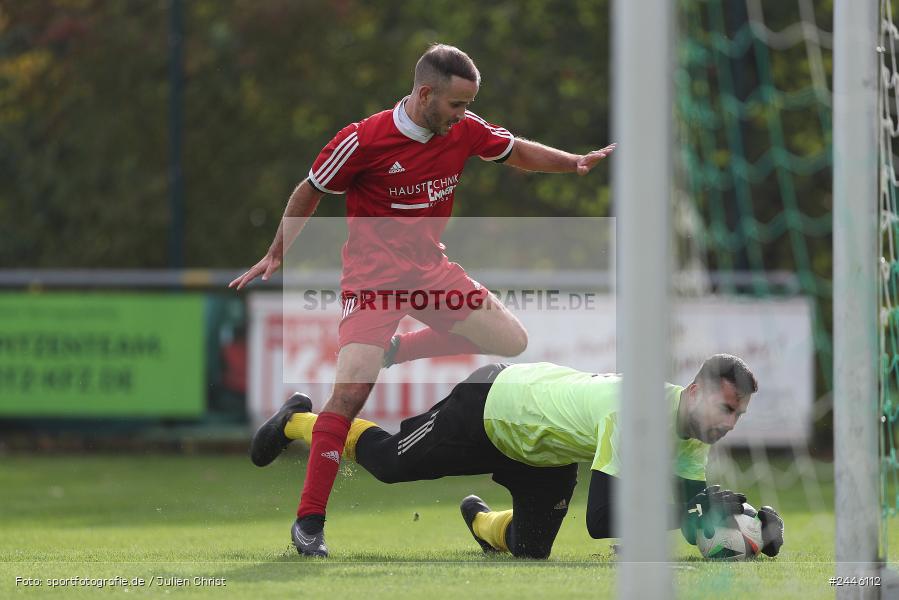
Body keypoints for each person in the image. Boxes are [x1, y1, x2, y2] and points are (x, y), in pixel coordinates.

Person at [230, 42, 616, 556]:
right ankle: (309, 524)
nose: (465, 116)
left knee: (511, 339)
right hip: (373, 283)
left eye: (470, 105)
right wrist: (277, 252)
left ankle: (396, 352)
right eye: (457, 105)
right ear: (425, 93)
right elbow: (311, 188)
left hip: (430, 272)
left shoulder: (464, 129)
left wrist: (574, 165)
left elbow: (515, 148)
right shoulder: (363, 139)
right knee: (348, 398)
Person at [252, 354, 785, 559]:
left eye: (738, 415)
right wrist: (700, 511)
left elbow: (686, 501)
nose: (729, 423)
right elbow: (603, 522)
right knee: (391, 464)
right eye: (726, 408)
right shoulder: (637, 413)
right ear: (695, 392)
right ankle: (301, 420)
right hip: (493, 408)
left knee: (530, 549)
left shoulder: (694, 435)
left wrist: (743, 522)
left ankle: (481, 522)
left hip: (547, 452)